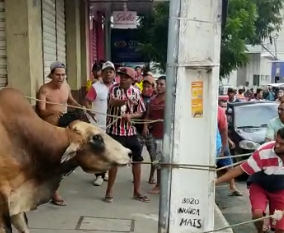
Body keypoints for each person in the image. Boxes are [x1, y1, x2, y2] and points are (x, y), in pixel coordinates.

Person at [216, 127, 284, 233]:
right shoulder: (264, 151)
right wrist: (215, 182)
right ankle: (261, 231)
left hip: (280, 189)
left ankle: (274, 224)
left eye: (282, 144)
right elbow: (240, 169)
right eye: (277, 141)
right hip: (260, 185)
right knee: (258, 214)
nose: (277, 146)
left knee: (280, 227)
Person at [37, 61, 82, 206]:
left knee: (62, 161)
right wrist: (52, 110)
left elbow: (70, 100)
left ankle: (51, 187)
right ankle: (53, 192)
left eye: (63, 75)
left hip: (63, 129)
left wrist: (80, 106)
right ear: (51, 75)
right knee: (53, 162)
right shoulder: (44, 90)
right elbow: (41, 111)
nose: (61, 78)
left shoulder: (67, 86)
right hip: (49, 131)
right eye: (58, 75)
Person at [104, 67, 150, 203]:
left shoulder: (136, 92)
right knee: (114, 161)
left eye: (126, 77)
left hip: (130, 132)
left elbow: (141, 111)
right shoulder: (114, 89)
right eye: (121, 76)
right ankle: (109, 191)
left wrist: (131, 115)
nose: (123, 79)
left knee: (137, 160)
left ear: (132, 80)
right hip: (115, 132)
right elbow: (112, 102)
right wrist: (125, 101)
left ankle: (137, 191)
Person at [84, 61, 116, 186]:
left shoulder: (117, 88)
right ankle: (99, 175)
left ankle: (106, 171)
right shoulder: (95, 87)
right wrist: (90, 113)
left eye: (111, 71)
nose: (108, 74)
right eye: (106, 71)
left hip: (114, 125)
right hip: (99, 124)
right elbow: (86, 101)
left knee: (109, 150)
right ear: (101, 73)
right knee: (98, 150)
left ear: (114, 74)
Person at [143, 76, 166, 194]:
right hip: (154, 133)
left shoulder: (170, 100)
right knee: (155, 159)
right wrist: (145, 126)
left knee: (162, 160)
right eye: (158, 84)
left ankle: (160, 185)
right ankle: (158, 184)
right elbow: (147, 115)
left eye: (162, 84)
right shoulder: (152, 100)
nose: (159, 86)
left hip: (165, 135)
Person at [136, 75, 157, 184]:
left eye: (148, 86)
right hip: (138, 131)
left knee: (154, 156)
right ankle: (136, 176)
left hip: (152, 132)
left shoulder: (155, 99)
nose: (145, 88)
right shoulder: (138, 97)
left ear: (153, 87)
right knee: (136, 156)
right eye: (144, 86)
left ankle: (151, 176)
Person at [217, 105, 241, 195]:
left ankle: (232, 187)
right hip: (212, 144)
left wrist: (223, 149)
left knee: (229, 165)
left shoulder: (219, 111)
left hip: (221, 143)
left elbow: (224, 131)